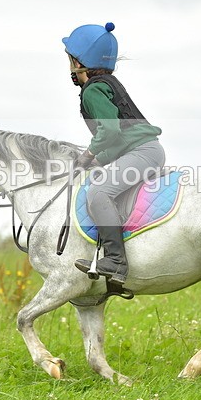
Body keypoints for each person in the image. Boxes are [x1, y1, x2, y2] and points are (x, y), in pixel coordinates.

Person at [63, 23, 165, 286]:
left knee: (98, 193)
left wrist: (87, 155)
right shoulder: (107, 83)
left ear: (78, 62)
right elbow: (119, 137)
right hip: (144, 151)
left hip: (142, 153)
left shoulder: (93, 90)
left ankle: (116, 261)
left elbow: (109, 131)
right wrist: (99, 159)